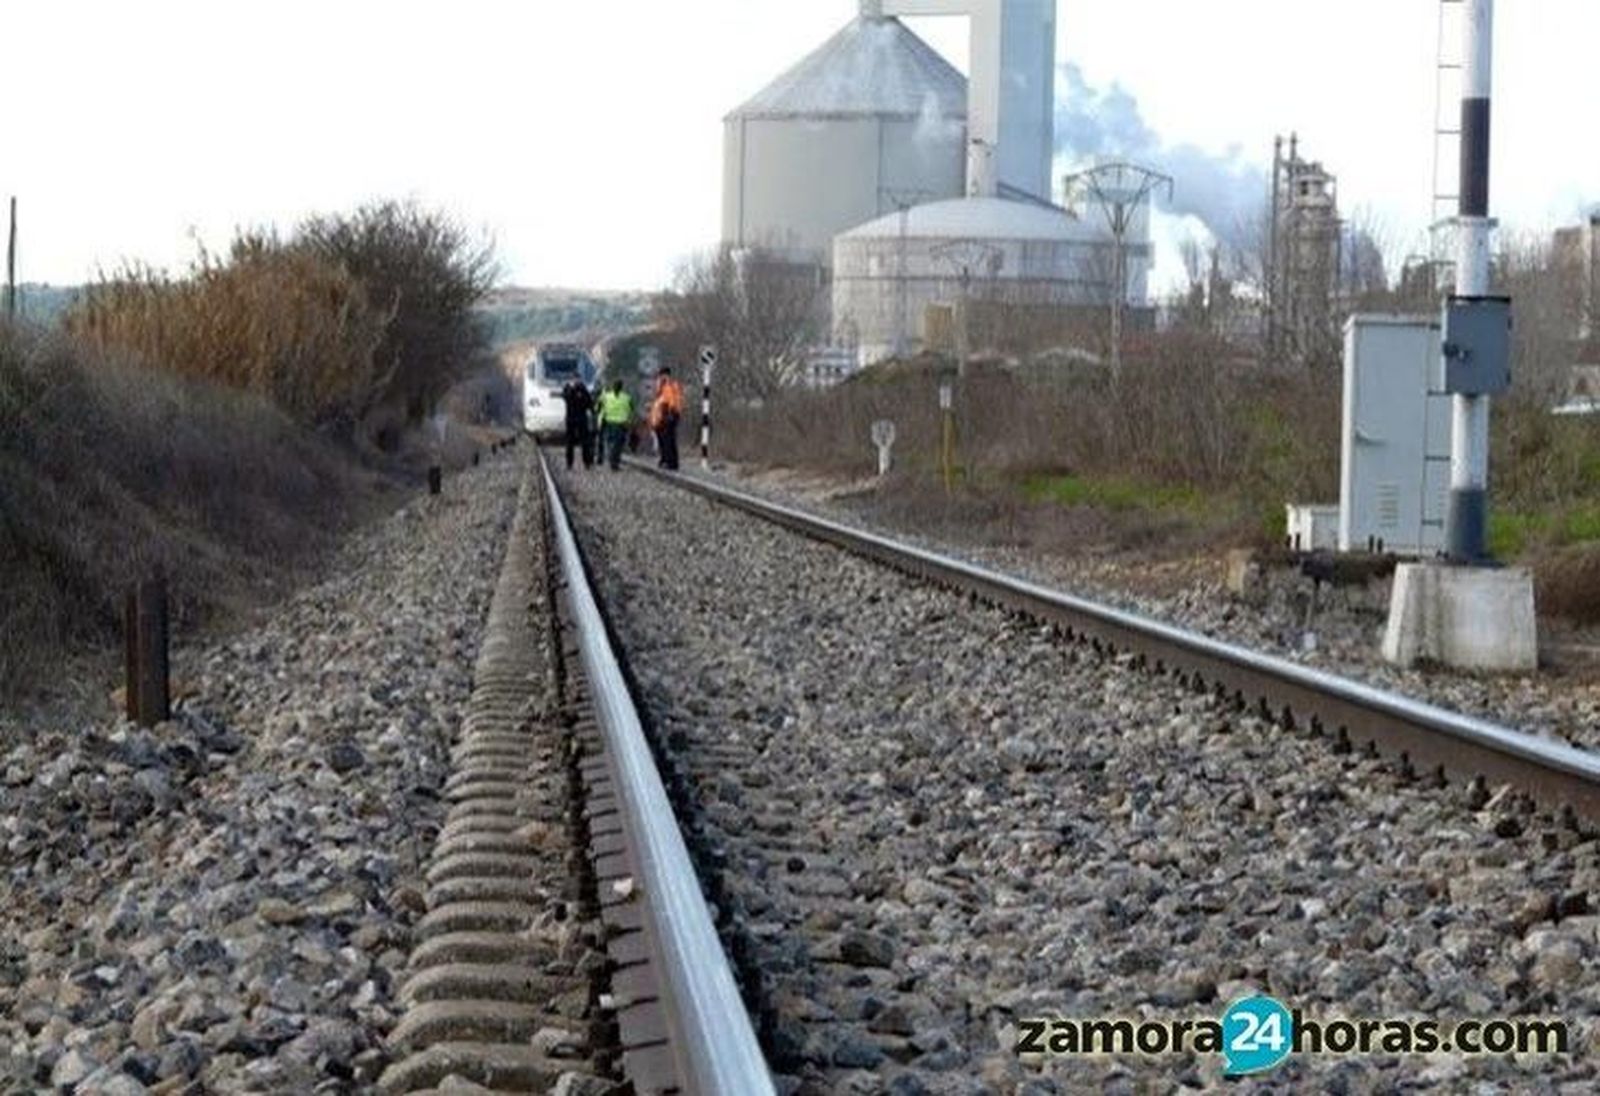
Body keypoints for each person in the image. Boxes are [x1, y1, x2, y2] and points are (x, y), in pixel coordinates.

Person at [649, 366, 685, 471]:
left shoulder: (670, 385)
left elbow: (672, 401)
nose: (661, 377)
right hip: (662, 416)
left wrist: (670, 413)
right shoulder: (662, 386)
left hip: (668, 415)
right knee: (664, 439)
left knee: (668, 439)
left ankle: (670, 461)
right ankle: (666, 459)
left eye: (662, 375)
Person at [596, 379, 634, 471]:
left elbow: (598, 407)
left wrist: (600, 419)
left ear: (613, 387)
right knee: (618, 444)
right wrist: (630, 421)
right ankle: (614, 462)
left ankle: (612, 459)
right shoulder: (627, 397)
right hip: (621, 424)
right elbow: (632, 410)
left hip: (610, 422)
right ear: (622, 387)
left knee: (610, 442)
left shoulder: (606, 397)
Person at [559, 378, 594, 470]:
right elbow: (590, 404)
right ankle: (586, 463)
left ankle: (570, 464)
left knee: (571, 442)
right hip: (580, 419)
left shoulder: (570, 390)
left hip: (571, 419)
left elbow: (565, 397)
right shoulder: (583, 390)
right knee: (584, 442)